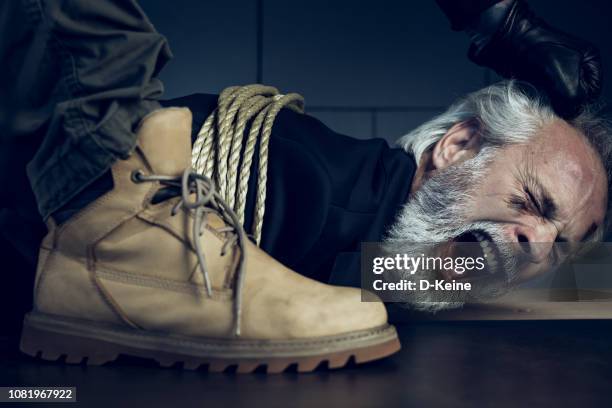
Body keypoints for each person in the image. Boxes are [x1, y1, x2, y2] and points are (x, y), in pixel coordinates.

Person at [0, 0, 606, 372]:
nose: (537, 243)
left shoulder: (403, 253)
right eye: (532, 202)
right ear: (458, 146)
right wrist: (501, 18)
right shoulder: (310, 177)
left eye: (561, 245)